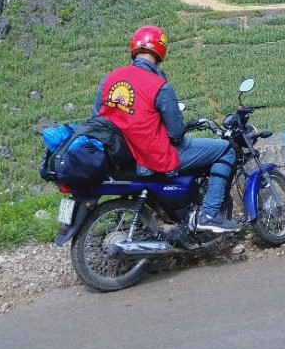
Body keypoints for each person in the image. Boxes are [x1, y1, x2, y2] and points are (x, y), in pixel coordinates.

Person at [94, 25, 242, 233]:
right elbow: (175, 133)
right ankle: (209, 214)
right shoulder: (159, 85)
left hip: (118, 155)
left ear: (134, 48)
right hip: (151, 156)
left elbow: (98, 117)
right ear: (161, 50)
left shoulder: (109, 79)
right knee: (226, 149)